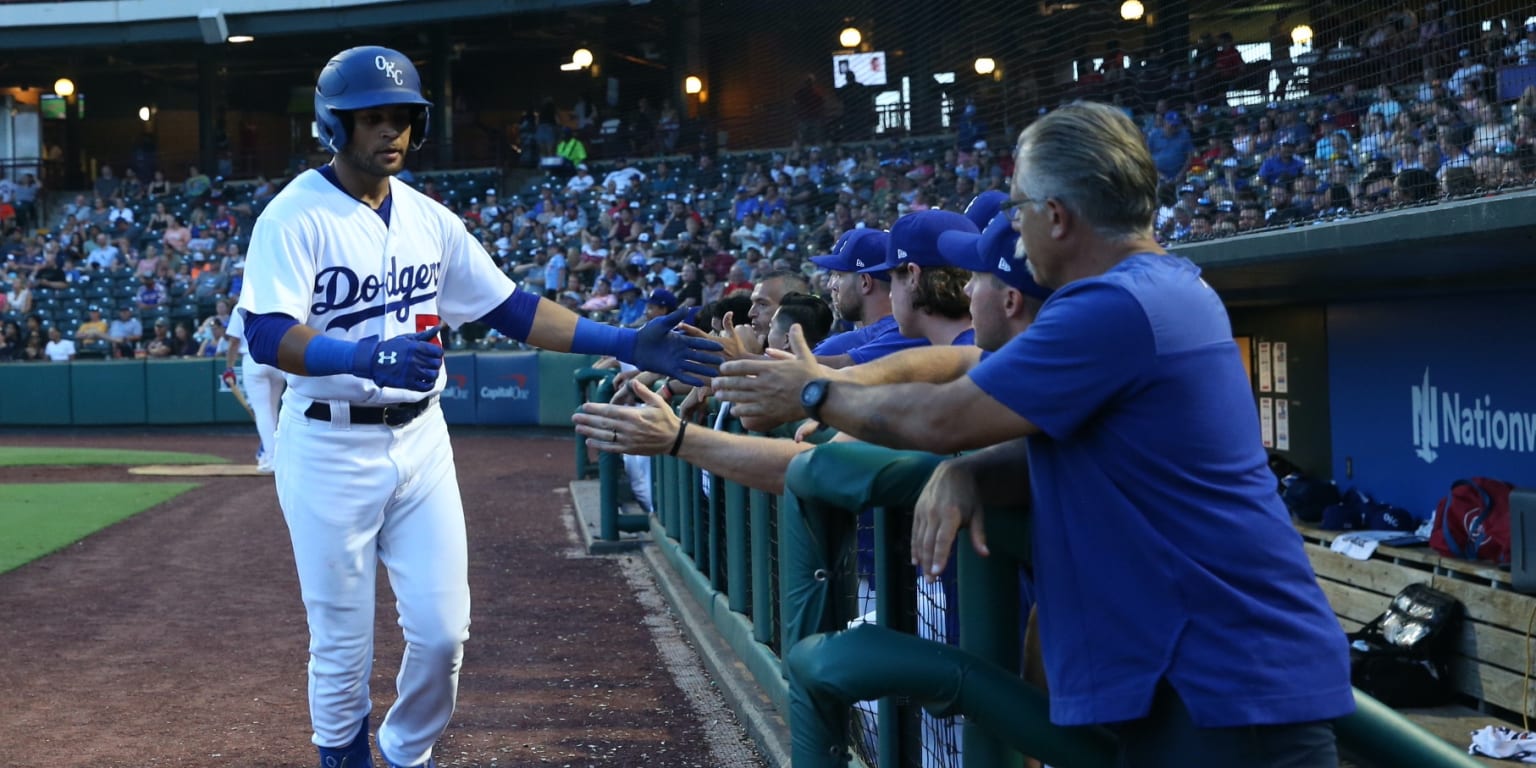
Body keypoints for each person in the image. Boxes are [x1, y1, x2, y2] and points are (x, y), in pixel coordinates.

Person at [713, 101, 1354, 766]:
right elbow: (1086, 446)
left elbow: (943, 417)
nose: (1011, 224)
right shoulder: (1152, 287)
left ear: (1055, 216)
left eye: (1018, 207)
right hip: (1208, 675)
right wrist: (974, 471)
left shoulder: (1115, 303)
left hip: (1223, 683)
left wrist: (811, 391)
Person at [235, 46, 721, 768]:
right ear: (333, 127)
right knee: (341, 640)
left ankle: (405, 754)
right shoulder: (293, 216)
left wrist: (626, 340)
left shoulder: (431, 219)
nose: (390, 132)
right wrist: (361, 357)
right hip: (329, 446)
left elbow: (513, 308)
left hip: (421, 441)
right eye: (372, 118)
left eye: (401, 118)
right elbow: (266, 332)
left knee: (442, 633)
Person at [225, 308, 287, 473]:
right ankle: (273, 456)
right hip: (276, 359)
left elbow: (234, 341)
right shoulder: (274, 301)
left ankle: (272, 457)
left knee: (263, 412)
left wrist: (229, 368)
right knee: (272, 411)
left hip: (253, 360)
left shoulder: (242, 304)